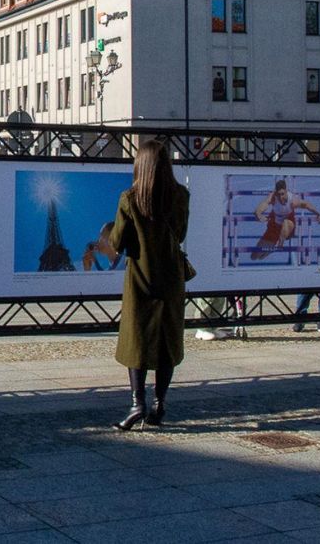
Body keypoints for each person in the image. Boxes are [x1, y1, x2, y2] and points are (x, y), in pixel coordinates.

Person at [108, 140, 190, 431]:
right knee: (167, 341)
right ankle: (160, 403)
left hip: (140, 278)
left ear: (139, 165)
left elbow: (117, 243)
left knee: (136, 340)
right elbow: (179, 235)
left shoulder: (130, 198)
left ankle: (136, 404)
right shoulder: (181, 195)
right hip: (171, 279)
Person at [251, 179, 320, 260]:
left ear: (286, 191)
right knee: (254, 256)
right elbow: (263, 204)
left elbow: (306, 204)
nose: (280, 197)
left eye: (282, 194)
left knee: (286, 222)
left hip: (288, 227)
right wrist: (258, 213)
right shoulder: (273, 197)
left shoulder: (292, 200)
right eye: (278, 194)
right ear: (276, 193)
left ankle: (280, 243)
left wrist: (318, 213)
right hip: (275, 226)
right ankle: (273, 244)